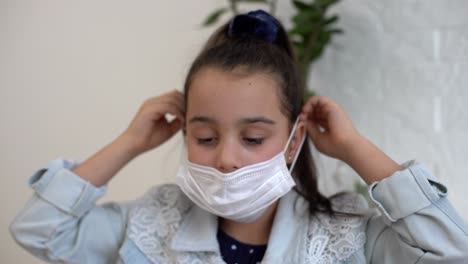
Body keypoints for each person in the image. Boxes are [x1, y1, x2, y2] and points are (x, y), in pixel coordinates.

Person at [10, 10, 468, 264]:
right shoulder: (150, 226)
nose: (226, 159)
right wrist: (129, 142)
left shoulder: (349, 237)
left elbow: (453, 253)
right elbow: (39, 230)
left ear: (293, 141)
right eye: (205, 138)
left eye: (252, 139)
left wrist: (355, 149)